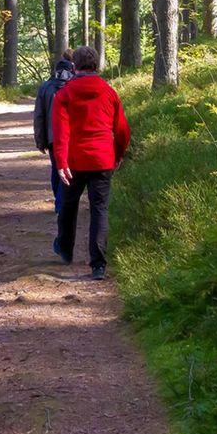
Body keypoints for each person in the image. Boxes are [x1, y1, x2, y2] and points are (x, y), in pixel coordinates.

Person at [50, 45, 130, 280]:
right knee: (99, 210)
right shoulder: (109, 92)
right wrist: (117, 155)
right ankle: (98, 266)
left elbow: (61, 132)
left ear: (74, 66)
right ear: (96, 65)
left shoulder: (64, 94)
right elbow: (123, 131)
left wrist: (61, 162)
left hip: (74, 161)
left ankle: (65, 250)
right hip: (102, 160)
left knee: (68, 205)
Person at [33, 54, 75, 213]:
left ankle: (60, 203)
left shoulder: (45, 87)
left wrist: (40, 140)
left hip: (52, 137)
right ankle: (65, 203)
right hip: (71, 136)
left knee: (56, 168)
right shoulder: (74, 85)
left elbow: (39, 116)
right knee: (69, 168)